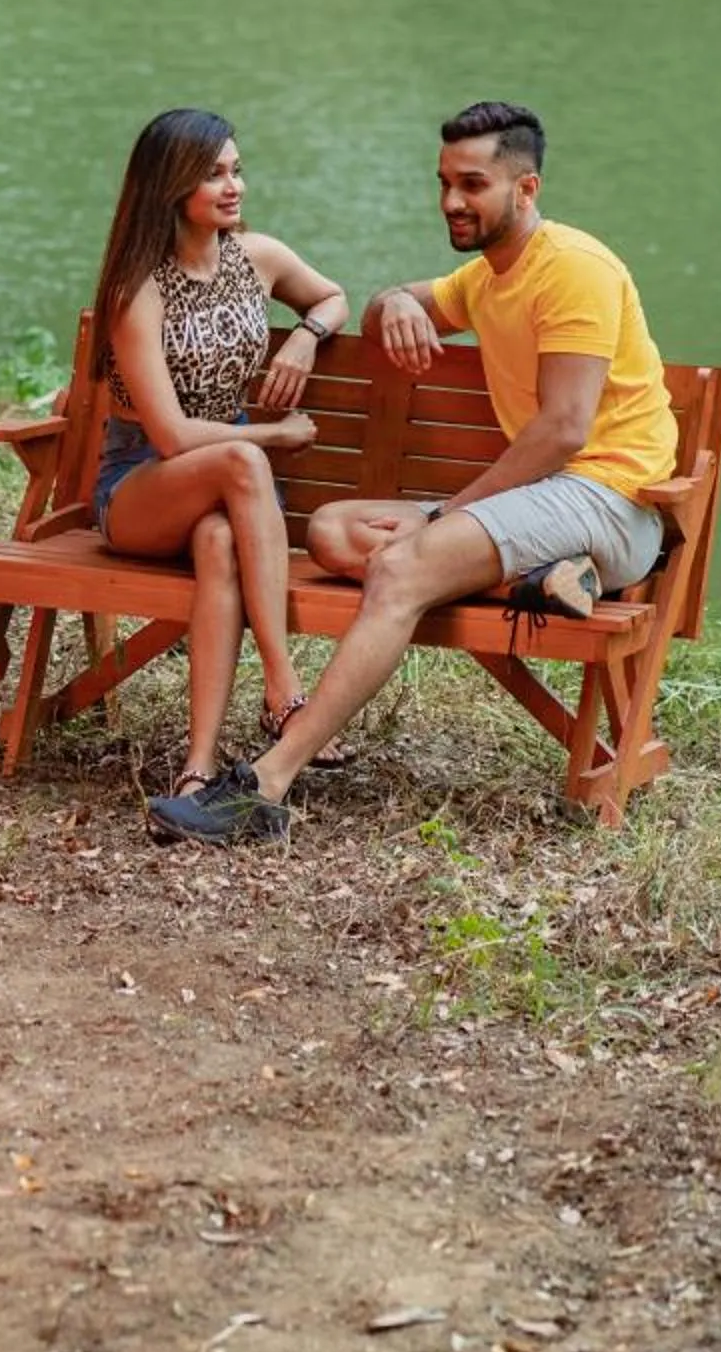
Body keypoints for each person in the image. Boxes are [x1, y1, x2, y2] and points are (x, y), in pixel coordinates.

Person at [148, 100, 679, 847]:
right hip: (543, 508)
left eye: (472, 185)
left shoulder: (575, 270)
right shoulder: (487, 278)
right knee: (335, 532)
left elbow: (564, 430)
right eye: (443, 183)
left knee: (400, 570)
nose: (452, 202)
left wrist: (443, 516)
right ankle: (547, 576)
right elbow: (382, 309)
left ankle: (265, 785)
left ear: (525, 190)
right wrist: (394, 302)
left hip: (608, 502)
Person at [86, 109, 350, 818]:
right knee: (239, 458)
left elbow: (332, 296)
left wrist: (304, 340)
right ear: (170, 186)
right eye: (213, 173)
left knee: (217, 540)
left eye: (236, 168)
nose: (234, 186)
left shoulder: (256, 258)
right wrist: (272, 436)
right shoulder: (136, 289)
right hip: (140, 488)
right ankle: (285, 691)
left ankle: (197, 768)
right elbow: (169, 437)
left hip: (222, 494)